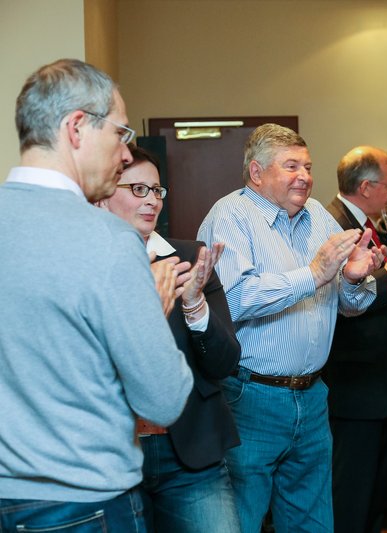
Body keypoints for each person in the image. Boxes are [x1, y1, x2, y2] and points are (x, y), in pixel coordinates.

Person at [0, 59, 193, 530]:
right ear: (76, 128)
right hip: (84, 504)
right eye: (120, 134)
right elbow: (163, 399)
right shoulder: (108, 239)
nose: (126, 154)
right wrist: (151, 313)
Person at [197, 123, 383, 533]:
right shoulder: (229, 216)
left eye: (308, 167)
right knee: (241, 520)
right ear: (257, 173)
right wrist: (313, 274)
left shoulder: (319, 217)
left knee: (312, 523)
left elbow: (350, 306)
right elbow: (234, 300)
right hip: (251, 397)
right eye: (291, 166)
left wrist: (354, 279)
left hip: (313, 397)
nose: (304, 177)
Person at [98, 145, 241, 532]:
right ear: (104, 194)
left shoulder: (190, 258)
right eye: (138, 189)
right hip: (115, 451)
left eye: (157, 190)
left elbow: (225, 363)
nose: (152, 201)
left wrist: (194, 306)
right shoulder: (88, 264)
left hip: (191, 448)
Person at [324, 146, 387, 533]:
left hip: (380, 379)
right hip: (352, 382)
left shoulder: (370, 225)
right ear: (366, 187)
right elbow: (337, 298)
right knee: (350, 493)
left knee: (374, 492)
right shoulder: (332, 226)